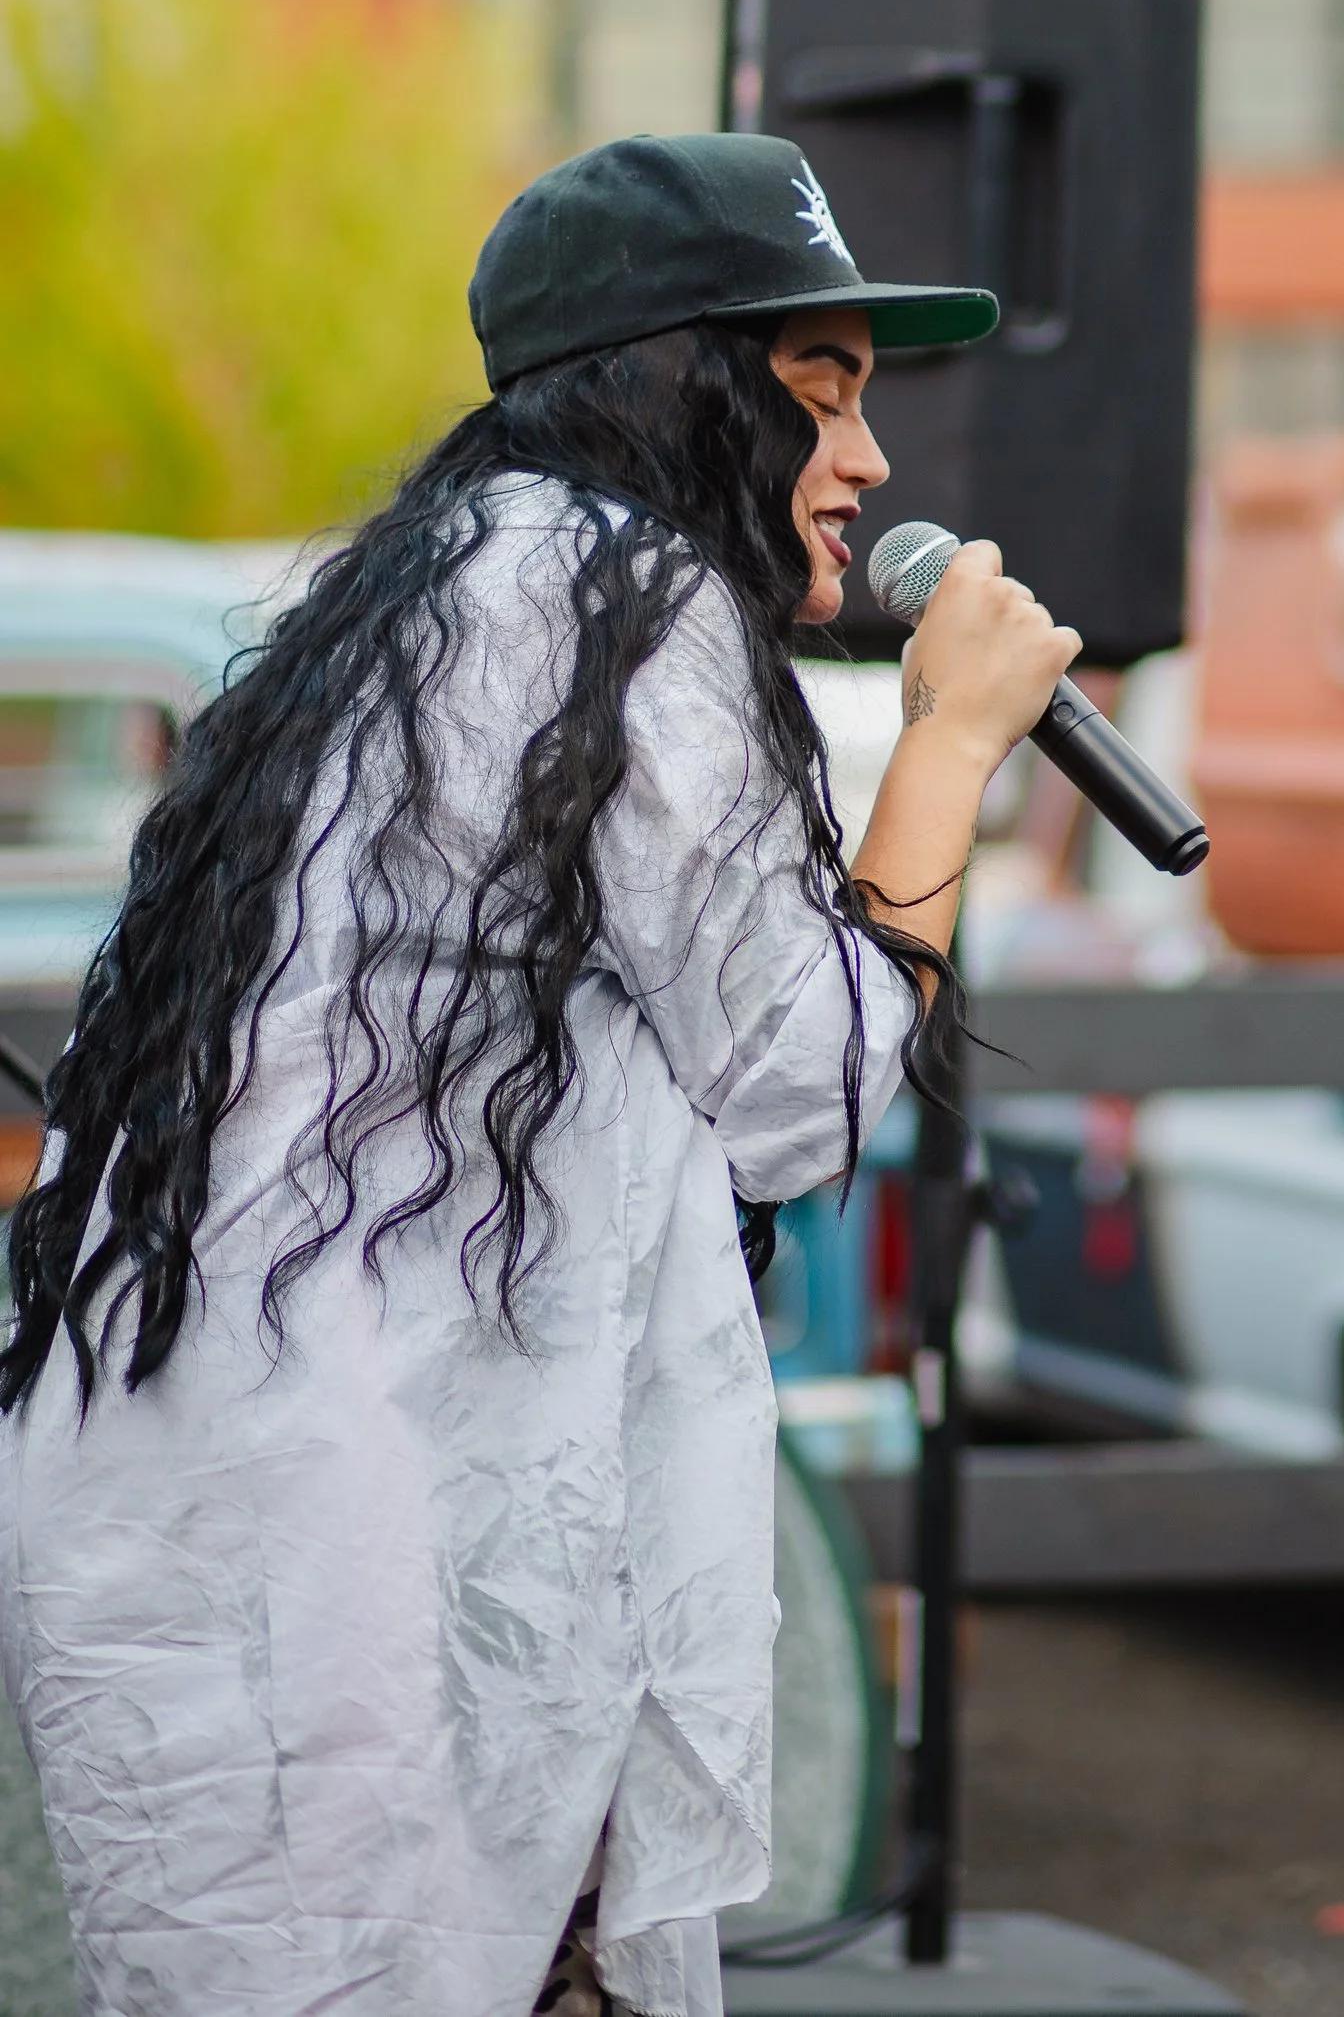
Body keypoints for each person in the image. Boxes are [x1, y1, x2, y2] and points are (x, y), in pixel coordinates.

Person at [0, 131, 1081, 2017]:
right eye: (817, 392)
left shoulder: (429, 593)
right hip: (370, 1539)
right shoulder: (624, 601)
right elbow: (802, 1092)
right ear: (679, 380)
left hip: (243, 1494)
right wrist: (953, 746)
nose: (869, 462)